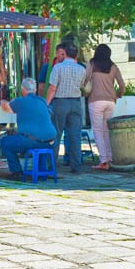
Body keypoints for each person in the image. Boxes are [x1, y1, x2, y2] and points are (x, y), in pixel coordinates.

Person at [0, 78, 58, 180]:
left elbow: (6, 107)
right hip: (52, 141)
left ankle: (17, 172)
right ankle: (41, 171)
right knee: (41, 140)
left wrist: (2, 101)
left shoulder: (19, 101)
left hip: (31, 141)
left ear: (22, 90)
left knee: (5, 141)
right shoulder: (43, 101)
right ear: (35, 90)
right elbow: (49, 114)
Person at [81, 44, 125, 170]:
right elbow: (122, 84)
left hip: (95, 100)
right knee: (106, 131)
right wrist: (119, 95)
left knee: (98, 131)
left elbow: (86, 79)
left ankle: (103, 161)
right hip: (110, 101)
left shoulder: (92, 63)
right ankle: (109, 159)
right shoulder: (113, 66)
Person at [47, 42, 86, 173]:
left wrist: (46, 103)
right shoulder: (81, 69)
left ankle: (52, 165)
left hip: (60, 102)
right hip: (75, 102)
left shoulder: (57, 67)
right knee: (75, 136)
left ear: (66, 53)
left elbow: (52, 88)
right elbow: (83, 85)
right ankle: (76, 166)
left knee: (56, 134)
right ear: (76, 55)